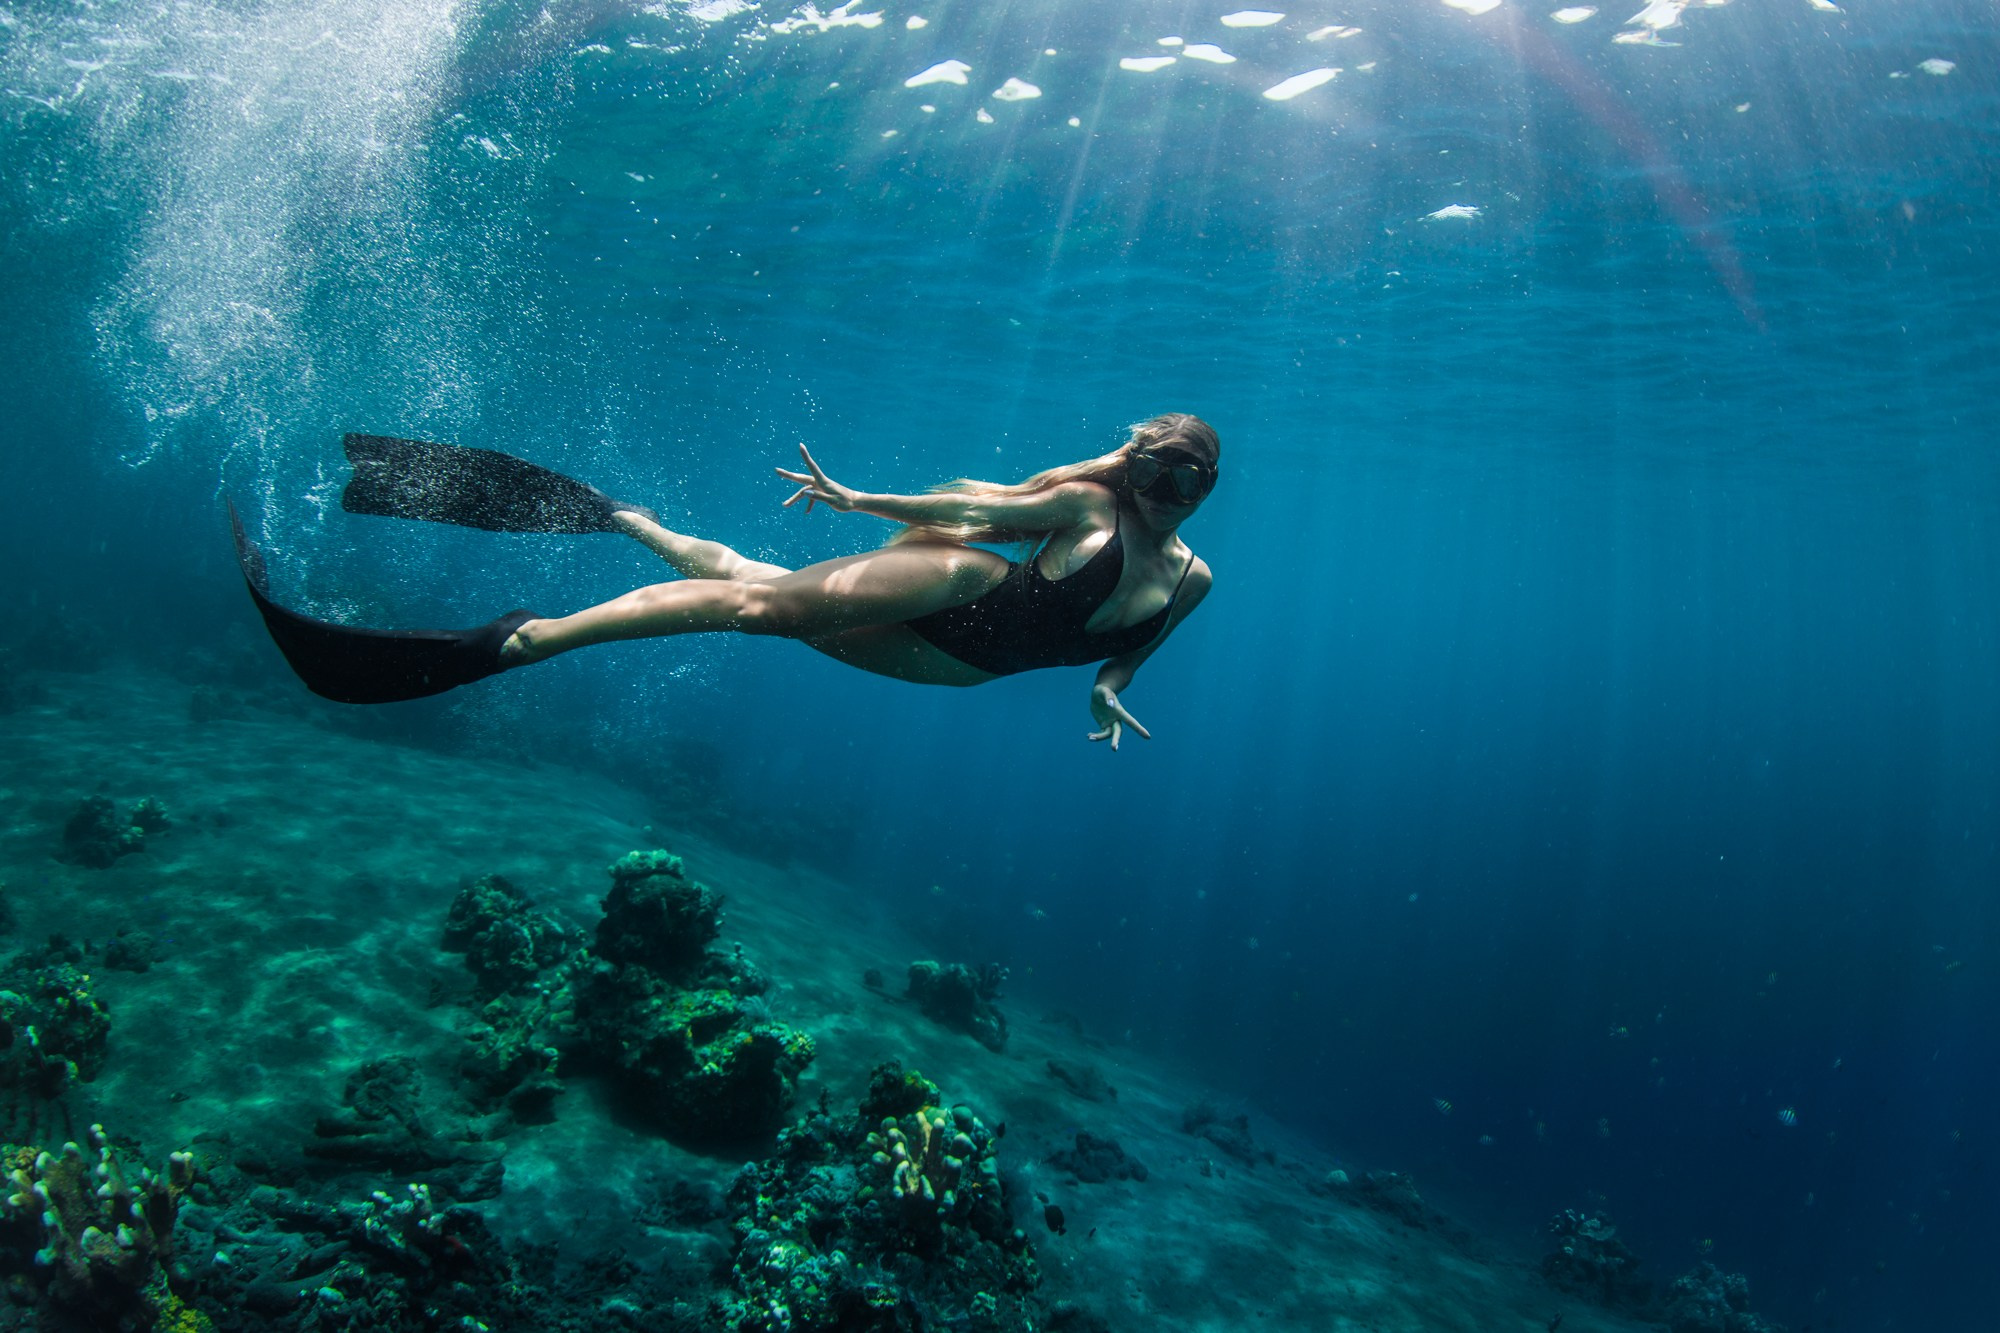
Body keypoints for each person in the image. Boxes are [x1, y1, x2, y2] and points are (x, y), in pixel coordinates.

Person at [232, 414, 1217, 749]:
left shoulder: (1191, 582)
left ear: (1207, 487)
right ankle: (530, 637)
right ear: (1130, 470)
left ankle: (623, 518)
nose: (1162, 493)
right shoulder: (1089, 512)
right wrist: (853, 497)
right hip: (950, 586)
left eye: (1183, 481)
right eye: (1149, 472)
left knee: (762, 586)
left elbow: (1128, 651)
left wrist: (1104, 691)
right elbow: (985, 514)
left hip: (948, 664)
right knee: (754, 611)